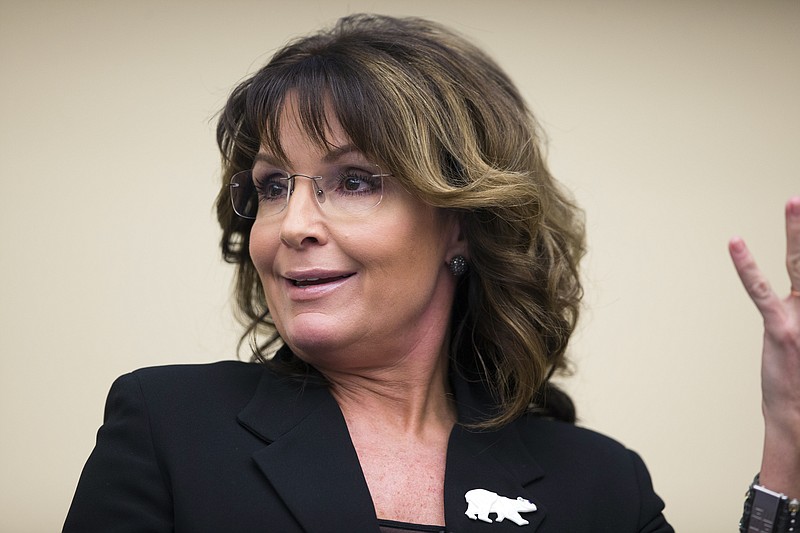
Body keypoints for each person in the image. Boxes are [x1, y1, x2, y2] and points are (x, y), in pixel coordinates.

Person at [62, 14, 799, 532]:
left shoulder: (600, 482)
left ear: (462, 223)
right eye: (273, 185)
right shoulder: (168, 425)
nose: (293, 225)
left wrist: (789, 438)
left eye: (353, 180)